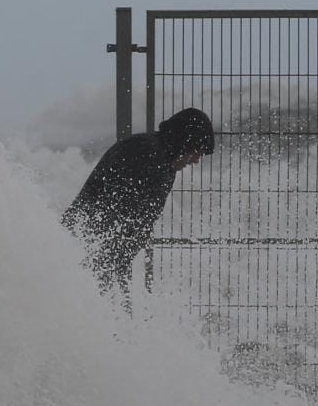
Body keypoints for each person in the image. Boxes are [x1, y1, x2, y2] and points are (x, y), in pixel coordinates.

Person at [62, 106, 215, 297]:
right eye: (197, 151)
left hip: (103, 258)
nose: (197, 159)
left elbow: (137, 220)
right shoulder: (144, 151)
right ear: (184, 141)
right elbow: (116, 211)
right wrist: (107, 263)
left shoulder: (165, 163)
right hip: (84, 248)